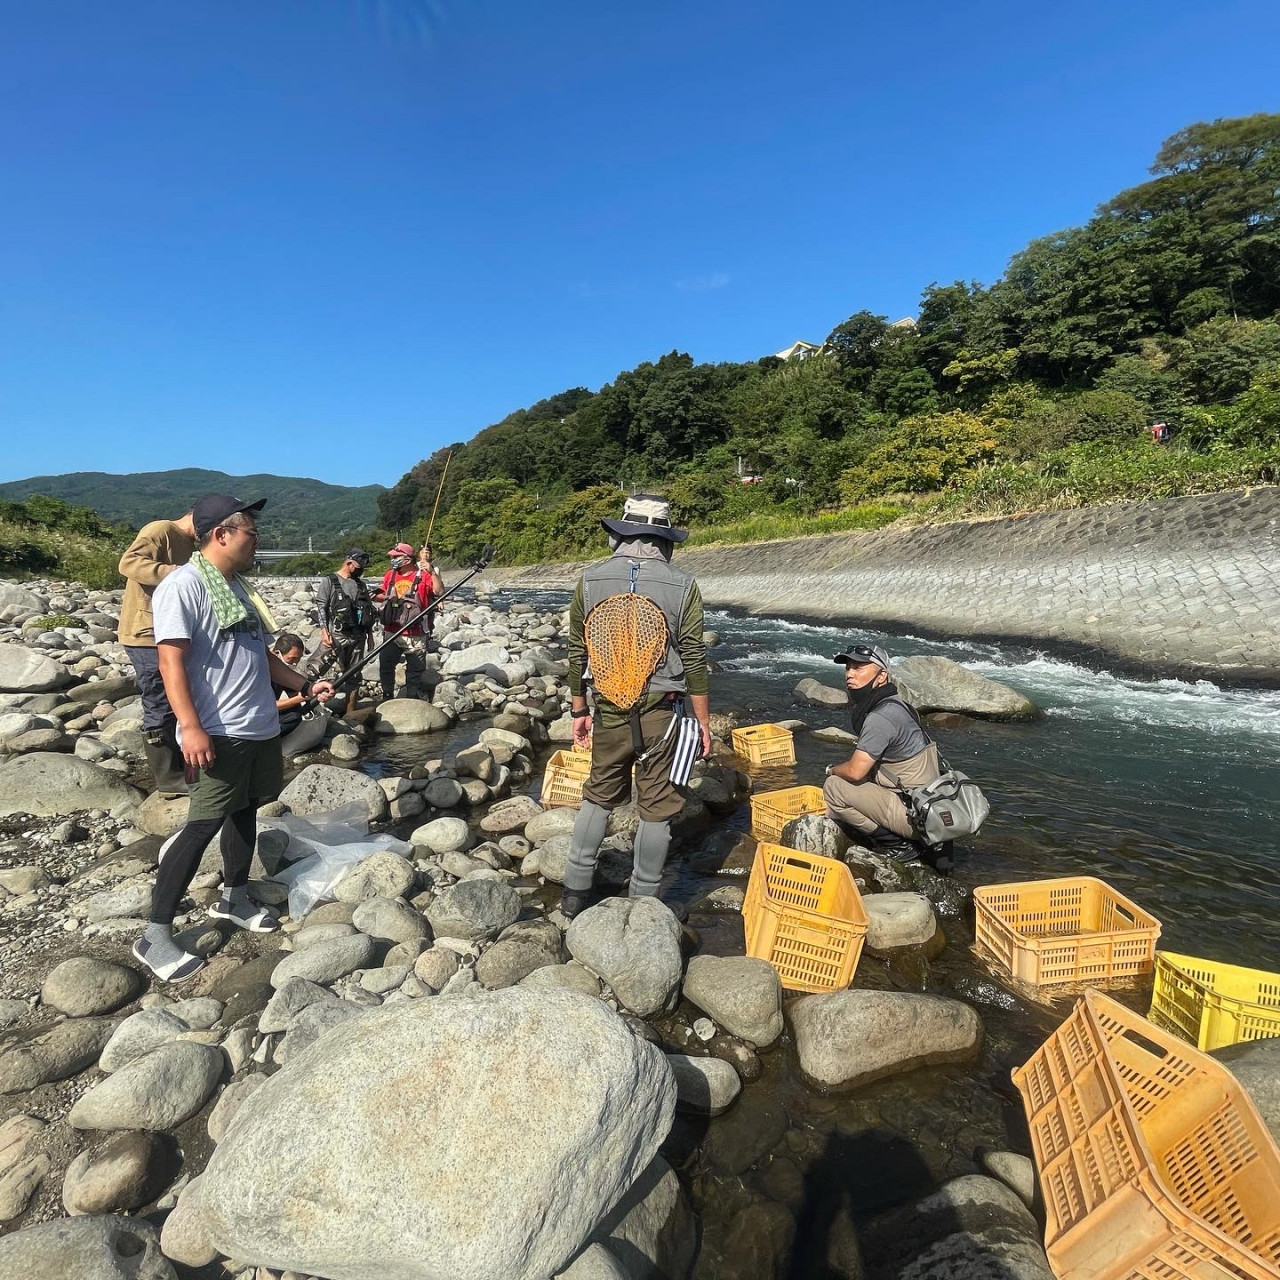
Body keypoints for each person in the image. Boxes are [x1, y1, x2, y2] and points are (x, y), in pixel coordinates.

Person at [137, 494, 334, 981]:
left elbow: (261, 655)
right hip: (219, 730)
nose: (257, 538)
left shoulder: (236, 588)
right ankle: (155, 936)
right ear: (221, 535)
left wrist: (304, 685)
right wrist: (190, 726)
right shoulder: (183, 587)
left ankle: (234, 897)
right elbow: (170, 663)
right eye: (251, 530)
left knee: (246, 808)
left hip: (258, 724)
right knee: (202, 823)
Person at [560, 494, 712, 917]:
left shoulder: (589, 579)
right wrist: (703, 723)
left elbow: (578, 651)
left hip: (607, 706)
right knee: (658, 804)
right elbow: (695, 657)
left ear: (621, 533)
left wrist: (578, 711)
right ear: (664, 539)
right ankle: (643, 900)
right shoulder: (684, 585)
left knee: (598, 795)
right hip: (662, 709)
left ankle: (574, 893)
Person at [821, 643, 945, 865]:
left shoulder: (881, 717)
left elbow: (855, 771)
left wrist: (831, 770)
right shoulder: (900, 705)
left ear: (881, 676)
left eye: (859, 667)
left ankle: (897, 845)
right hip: (929, 806)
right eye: (848, 667)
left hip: (915, 815)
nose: (849, 673)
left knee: (834, 787)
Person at [117, 507, 198, 795]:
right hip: (145, 633)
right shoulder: (161, 529)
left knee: (178, 695)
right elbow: (128, 563)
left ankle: (180, 763)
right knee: (160, 699)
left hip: (167, 631)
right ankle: (166, 777)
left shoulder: (190, 543)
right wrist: (175, 573)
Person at [372, 541, 443, 701]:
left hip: (416, 632)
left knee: (415, 669)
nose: (392, 559)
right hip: (392, 630)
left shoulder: (424, 575)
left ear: (407, 559)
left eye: (396, 556)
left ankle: (411, 697)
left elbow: (438, 591)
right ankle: (387, 695)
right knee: (386, 665)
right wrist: (374, 596)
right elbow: (383, 593)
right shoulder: (390, 575)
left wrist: (432, 573)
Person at [312, 548, 376, 700]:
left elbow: (367, 611)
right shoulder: (330, 581)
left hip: (358, 637)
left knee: (354, 674)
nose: (360, 572)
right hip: (336, 635)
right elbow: (321, 606)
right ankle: (308, 699)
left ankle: (350, 710)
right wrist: (324, 630)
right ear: (349, 563)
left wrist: (370, 635)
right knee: (319, 667)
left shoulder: (361, 585)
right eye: (358, 568)